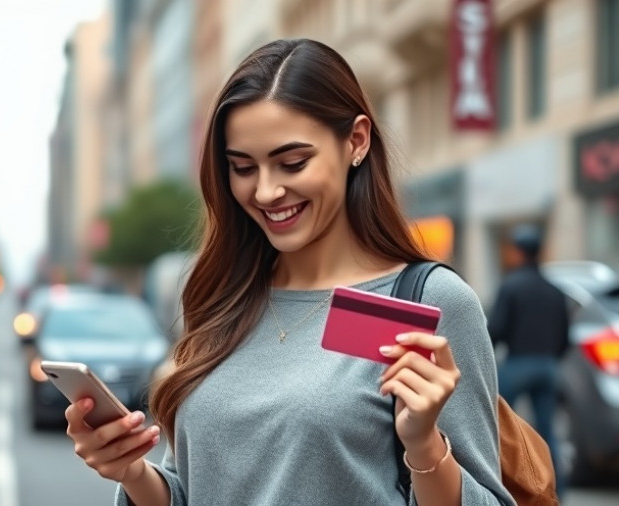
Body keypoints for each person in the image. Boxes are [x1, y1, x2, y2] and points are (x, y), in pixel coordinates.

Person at [64, 39, 514, 506]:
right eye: (242, 167)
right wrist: (133, 471)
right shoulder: (225, 296)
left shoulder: (427, 302)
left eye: (292, 163)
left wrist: (424, 445)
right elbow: (193, 490)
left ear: (356, 141)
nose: (266, 191)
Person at [488, 224, 569, 497]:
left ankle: (502, 485)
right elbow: (564, 334)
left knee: (495, 420)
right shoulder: (554, 290)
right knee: (548, 431)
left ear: (519, 252)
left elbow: (496, 329)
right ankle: (555, 492)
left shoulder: (511, 285)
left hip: (519, 364)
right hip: (548, 366)